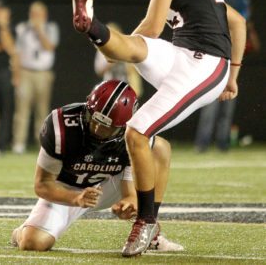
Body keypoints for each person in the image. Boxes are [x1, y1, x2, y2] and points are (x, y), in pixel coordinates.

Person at [71, 0, 246, 256]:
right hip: (190, 55)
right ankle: (92, 26)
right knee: (136, 49)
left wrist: (226, 74)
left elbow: (152, 27)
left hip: (203, 61)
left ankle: (146, 221)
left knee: (137, 130)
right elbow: (238, 22)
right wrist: (234, 77)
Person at [11, 79, 184, 252]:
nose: (96, 128)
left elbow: (130, 192)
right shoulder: (62, 126)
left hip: (106, 186)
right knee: (33, 243)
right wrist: (75, 198)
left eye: (106, 127)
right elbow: (42, 184)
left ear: (123, 127)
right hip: (65, 188)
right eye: (94, 119)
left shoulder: (132, 133)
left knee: (159, 148)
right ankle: (21, 232)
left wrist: (129, 203)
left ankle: (149, 229)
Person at [194, 0, 261, 153]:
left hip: (231, 76)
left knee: (226, 114)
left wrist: (249, 26)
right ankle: (202, 144)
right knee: (209, 112)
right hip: (214, 74)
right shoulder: (216, 29)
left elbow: (254, 46)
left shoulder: (238, 31)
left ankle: (222, 145)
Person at [12, 1, 60, 154]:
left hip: (43, 73)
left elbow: (49, 47)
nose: (36, 17)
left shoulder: (51, 28)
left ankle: (41, 144)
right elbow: (17, 54)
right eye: (33, 14)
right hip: (26, 72)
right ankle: (18, 143)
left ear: (44, 15)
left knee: (42, 110)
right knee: (22, 109)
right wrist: (16, 75)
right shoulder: (22, 28)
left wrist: (39, 31)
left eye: (39, 14)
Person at [0, 0, 19, 156]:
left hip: (3, 73)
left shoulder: (11, 29)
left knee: (5, 111)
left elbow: (10, 48)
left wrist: (3, 27)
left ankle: (1, 146)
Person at [94, 22, 143, 97]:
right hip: (111, 87)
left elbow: (135, 67)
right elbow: (99, 70)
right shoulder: (102, 50)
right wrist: (112, 59)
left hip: (127, 86)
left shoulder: (126, 46)